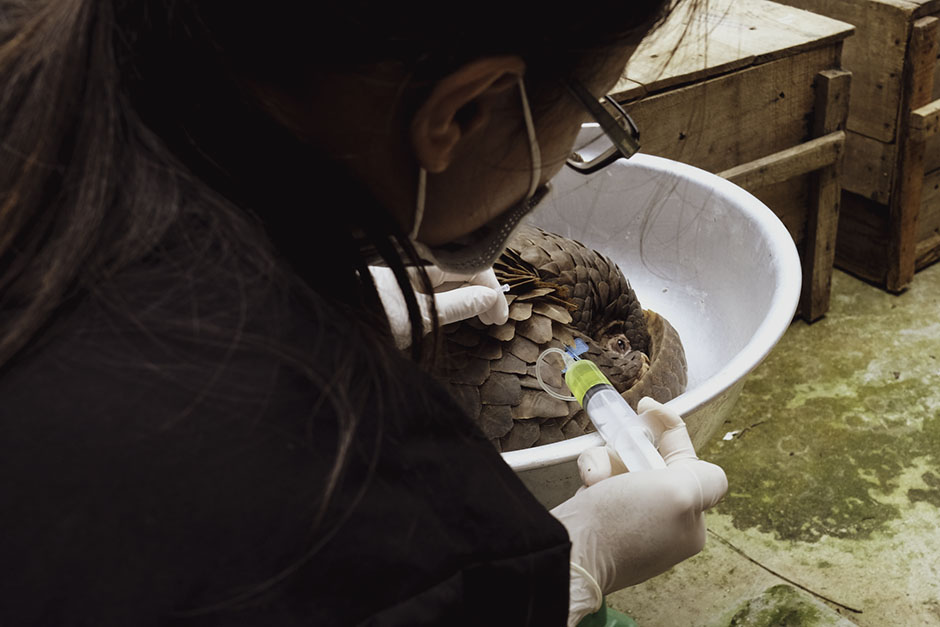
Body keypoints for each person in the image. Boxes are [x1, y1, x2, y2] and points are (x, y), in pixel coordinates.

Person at [0, 1, 727, 625]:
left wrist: (321, 278)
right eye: (594, 107)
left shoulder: (45, 74)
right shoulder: (390, 519)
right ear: (463, 109)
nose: (574, 147)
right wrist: (557, 566)